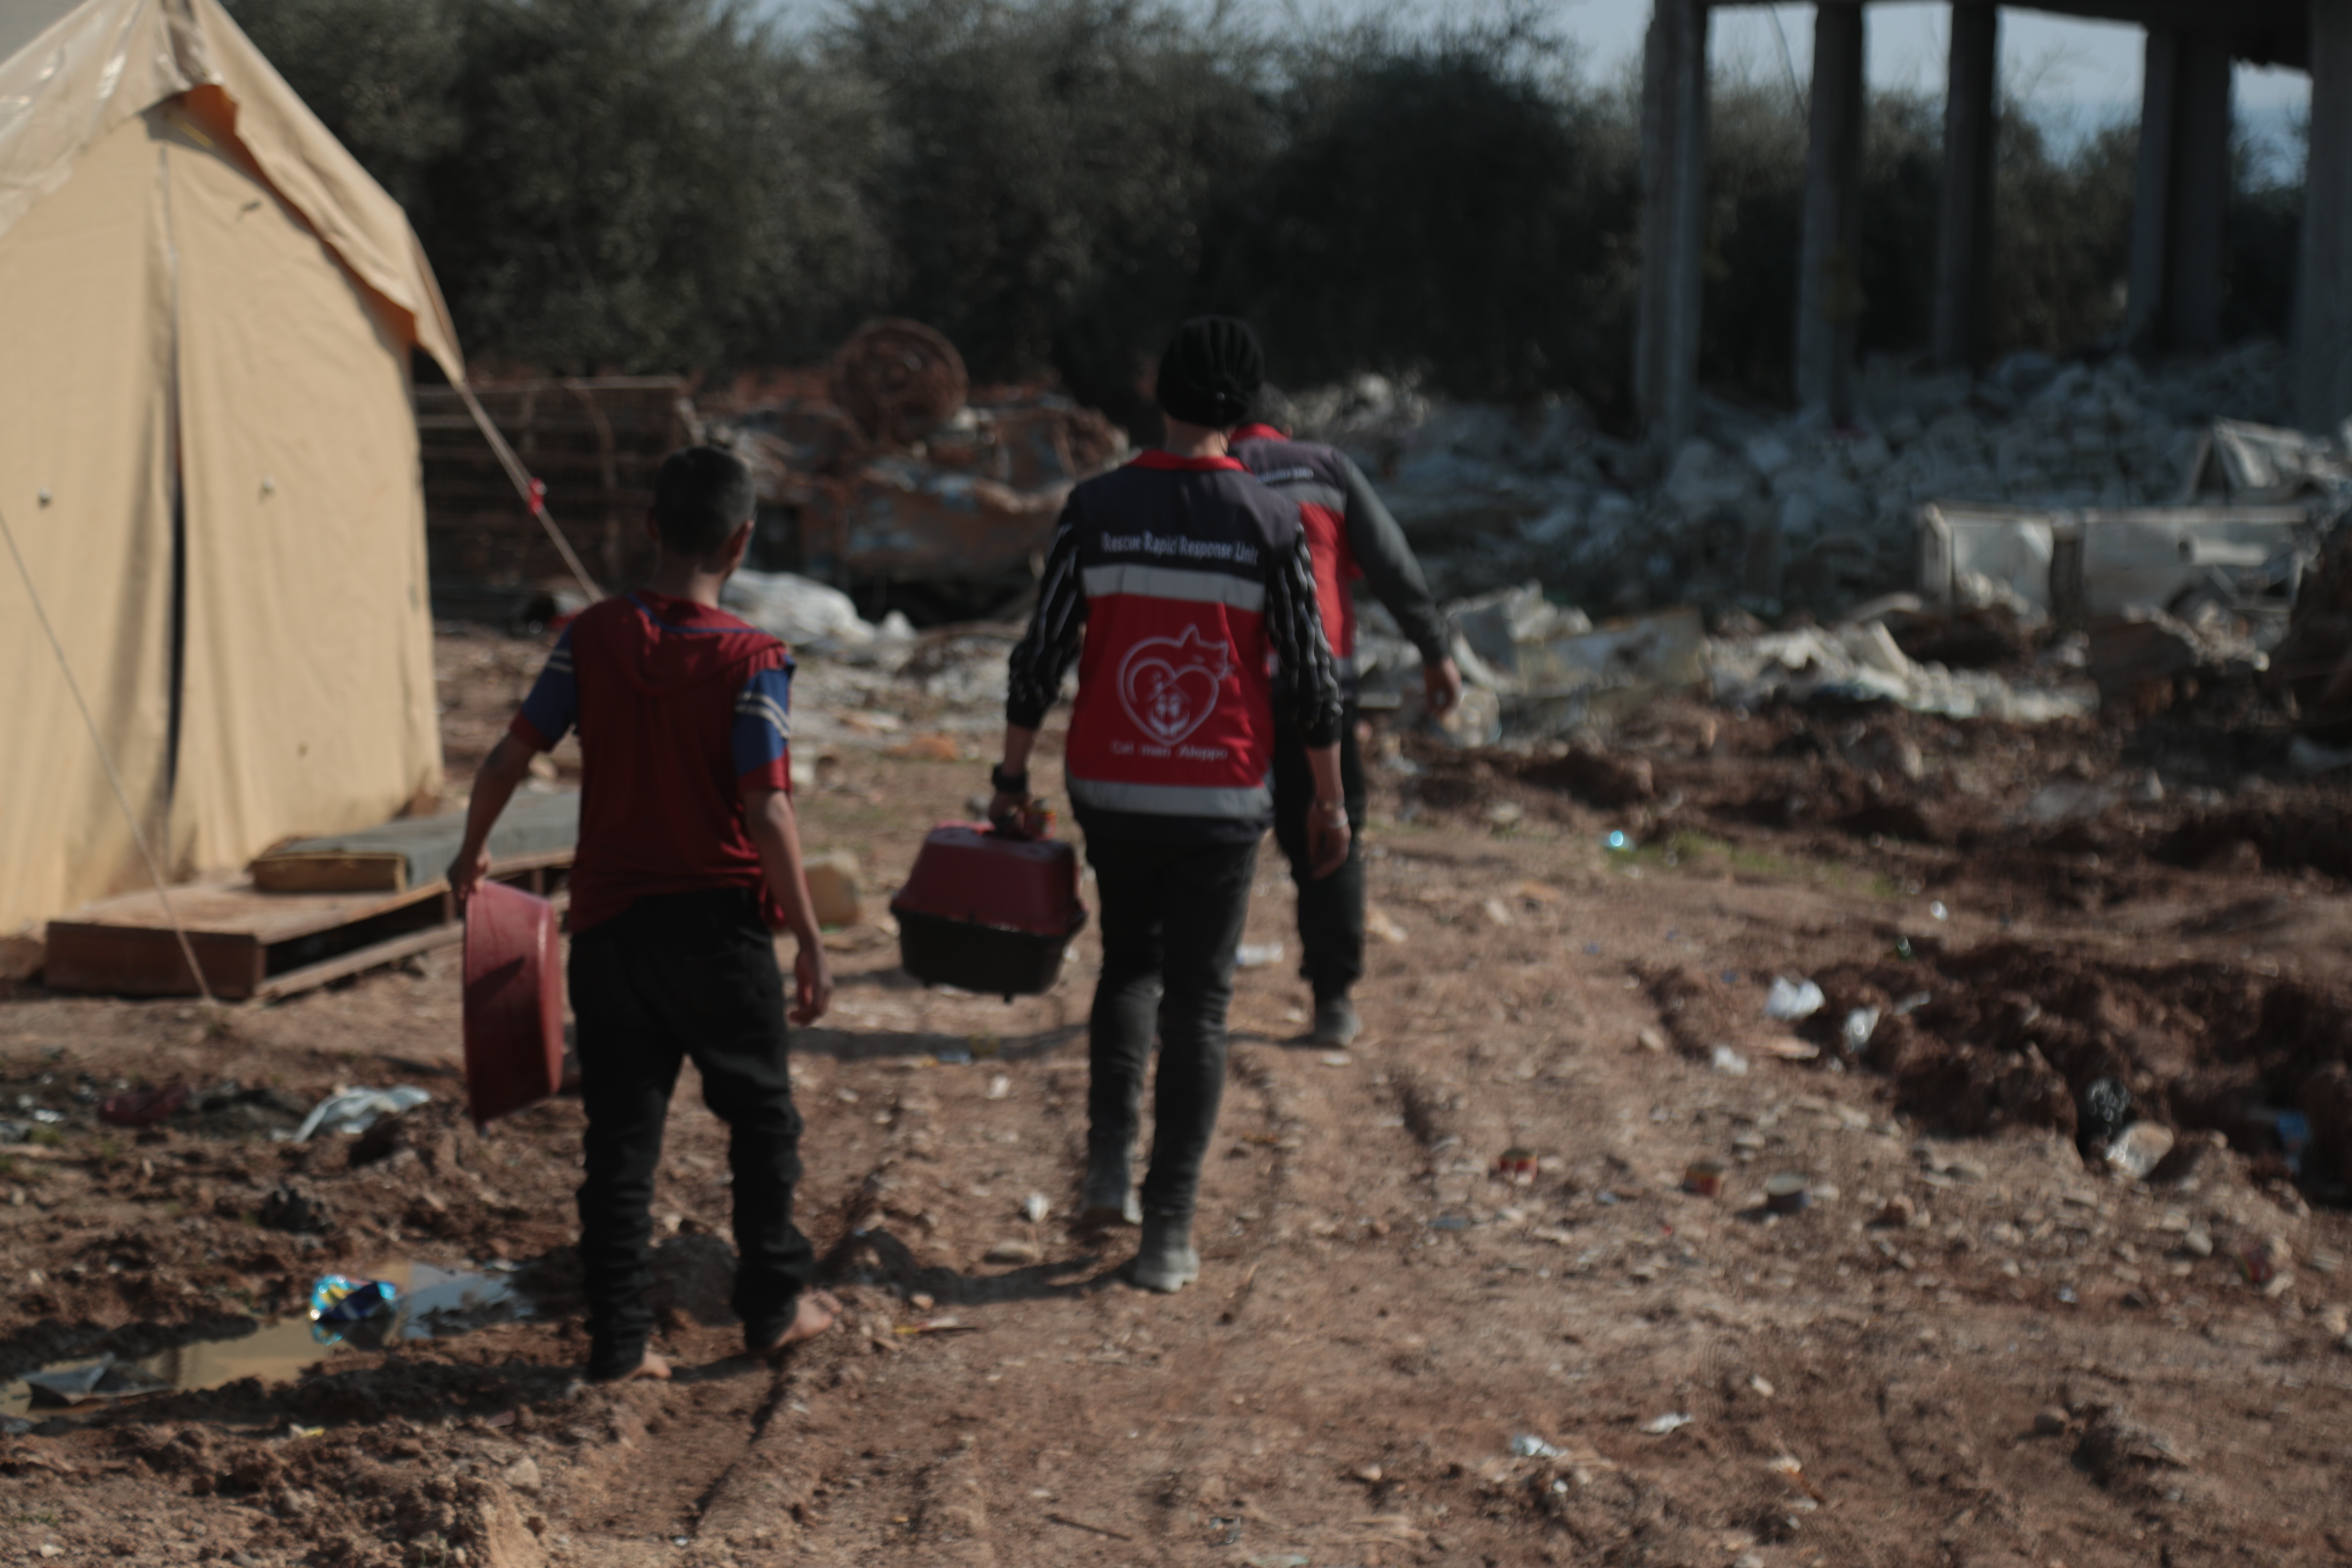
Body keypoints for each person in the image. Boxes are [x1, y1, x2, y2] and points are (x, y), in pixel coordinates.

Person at [447, 446, 841, 1381]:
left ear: (651, 528)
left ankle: (620, 1342)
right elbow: (768, 808)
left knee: (621, 1140)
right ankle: (772, 1308)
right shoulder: (755, 660)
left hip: (612, 930)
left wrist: (472, 853)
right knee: (761, 1123)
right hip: (720, 933)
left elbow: (508, 757)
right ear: (743, 543)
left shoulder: (590, 638)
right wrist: (812, 937)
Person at [992, 317, 1349, 1293]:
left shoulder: (1097, 506)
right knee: (1201, 1003)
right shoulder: (1269, 524)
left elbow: (1042, 652)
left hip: (1113, 786)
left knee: (1129, 967)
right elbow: (1312, 681)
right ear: (1245, 411)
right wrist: (1329, 801)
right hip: (1221, 795)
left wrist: (1011, 777)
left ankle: (1108, 1161)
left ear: (1163, 398)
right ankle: (1170, 1232)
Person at [1230, 404, 1461, 1047]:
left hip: (1224, 684)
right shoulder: (1326, 468)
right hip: (1319, 682)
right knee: (1329, 827)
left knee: (1213, 832)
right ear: (1284, 425)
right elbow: (1390, 561)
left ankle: (1187, 985)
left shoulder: (1205, 471)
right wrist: (1435, 649)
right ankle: (1333, 1001)